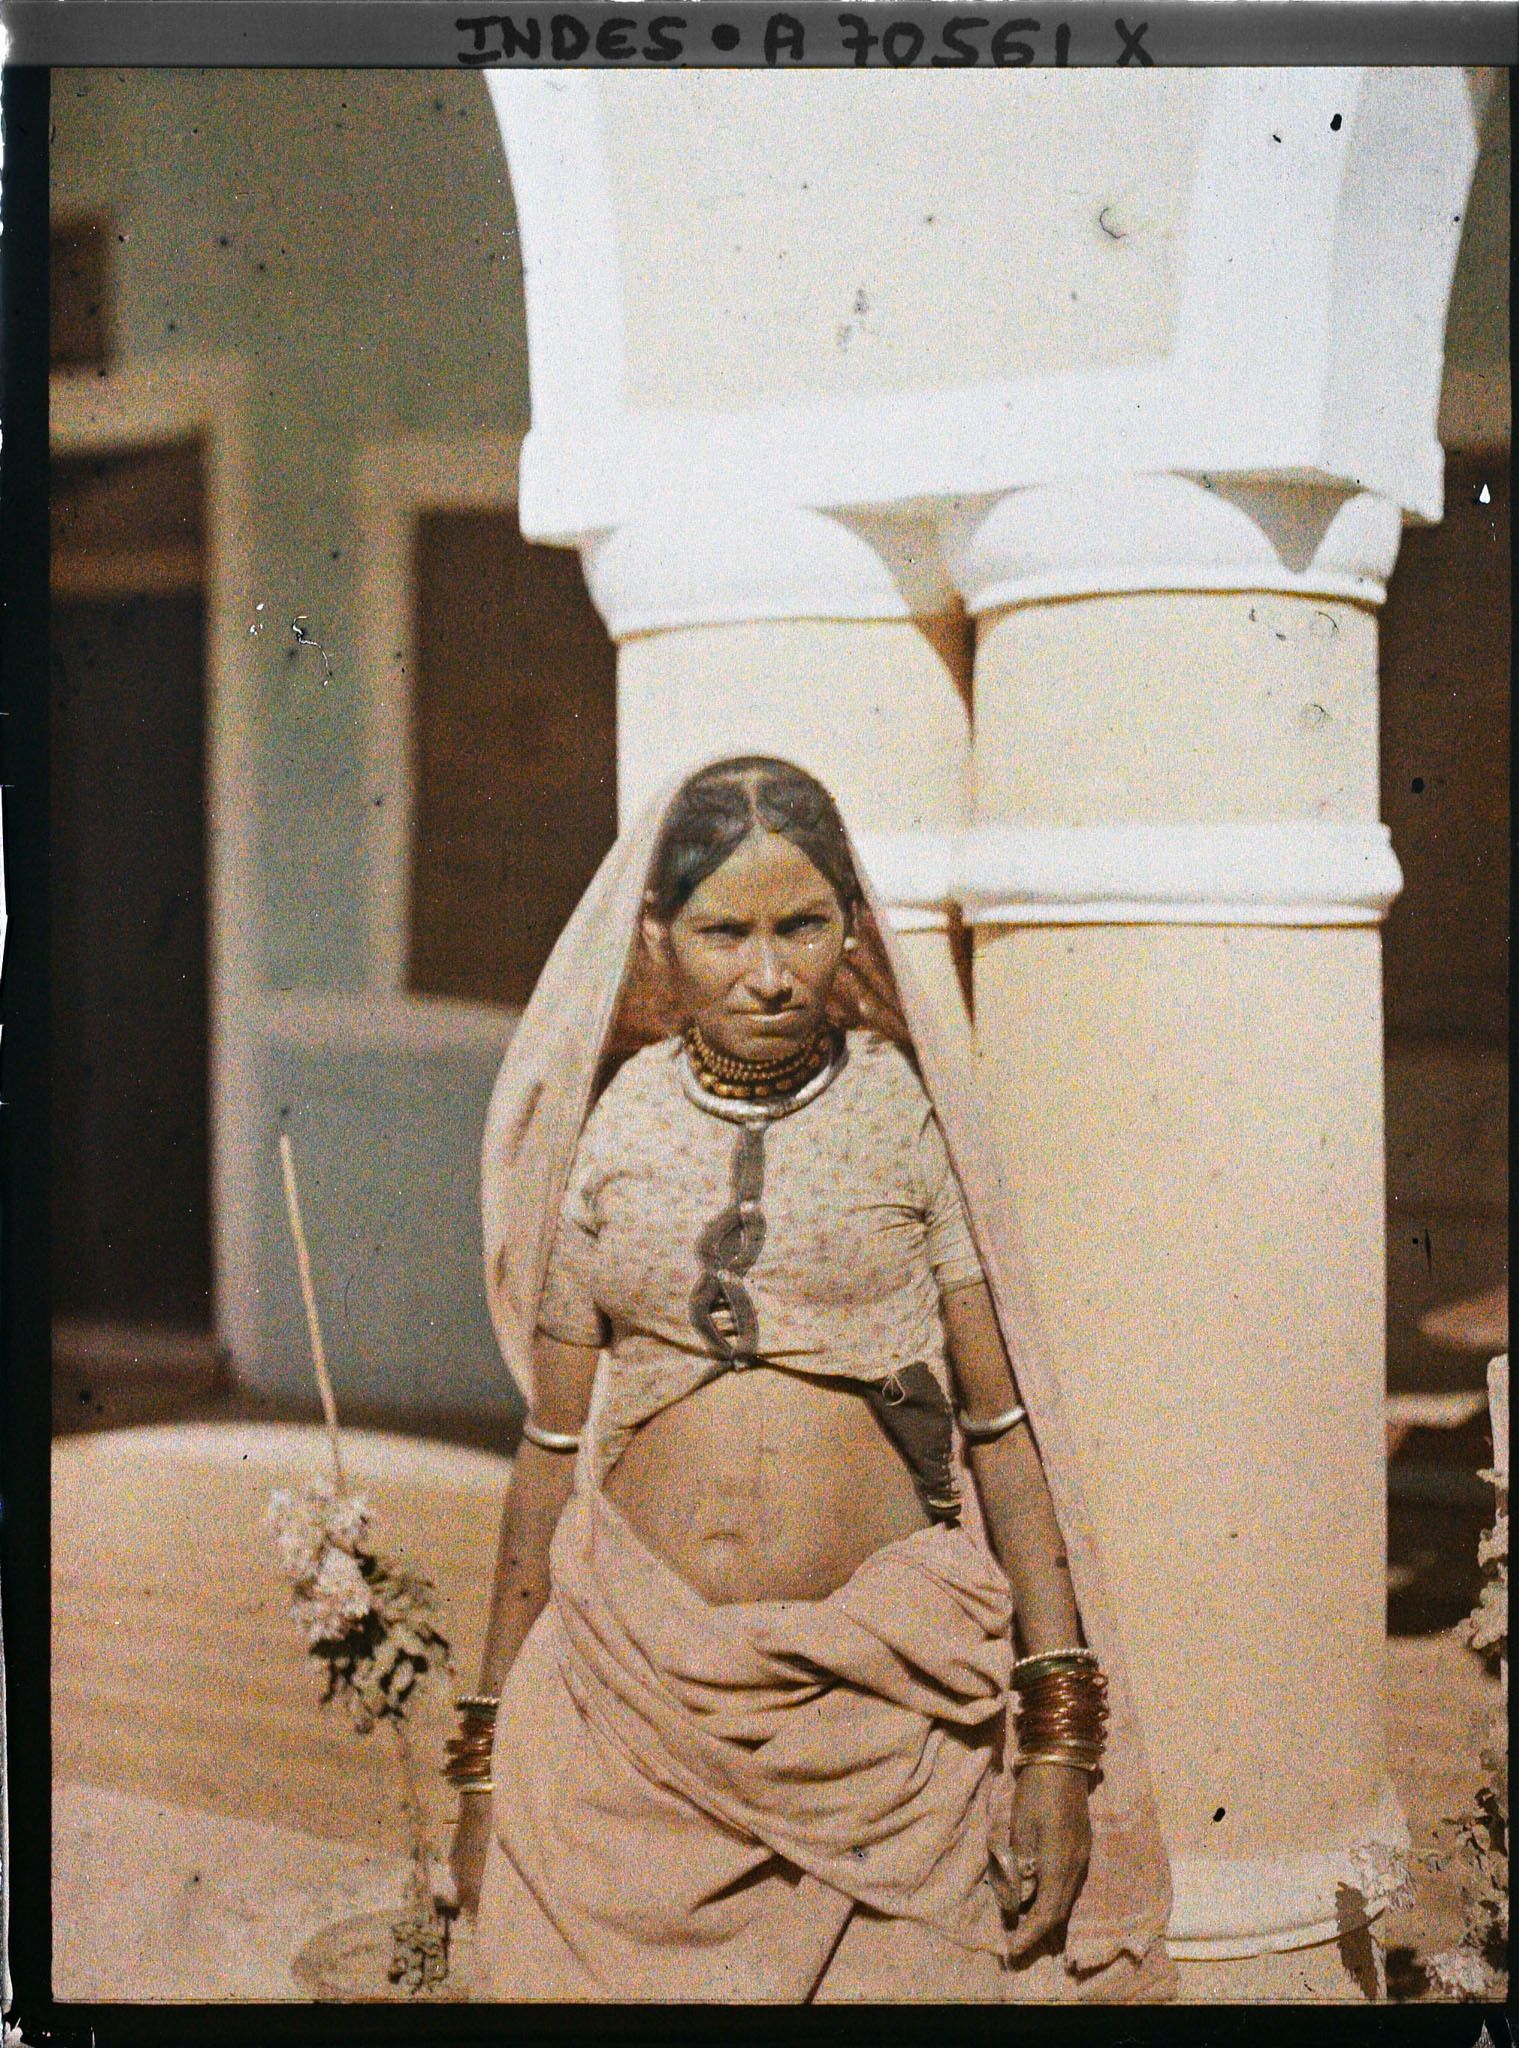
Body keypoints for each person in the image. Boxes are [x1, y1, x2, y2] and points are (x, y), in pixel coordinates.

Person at [451, 756, 1173, 2002]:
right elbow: (546, 1457)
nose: (769, 971)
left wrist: (1054, 1749)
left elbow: (1003, 1433)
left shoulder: (907, 1113)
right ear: (656, 936)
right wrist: (481, 1759)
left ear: (852, 921)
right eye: (723, 930)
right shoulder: (610, 1125)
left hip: (881, 1721)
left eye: (802, 923)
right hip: (628, 1710)